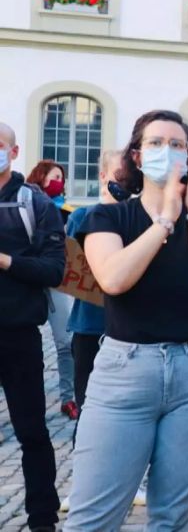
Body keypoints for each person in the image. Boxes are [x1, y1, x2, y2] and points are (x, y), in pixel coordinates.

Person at [64, 110, 188, 530]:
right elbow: (114, 278)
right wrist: (164, 220)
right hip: (125, 373)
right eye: (156, 143)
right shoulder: (107, 218)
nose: (168, 151)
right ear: (138, 157)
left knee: (169, 519)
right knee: (91, 518)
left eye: (178, 145)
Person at [60, 150, 152, 513]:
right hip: (89, 324)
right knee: (88, 410)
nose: (122, 184)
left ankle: (137, 480)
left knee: (136, 410)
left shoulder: (139, 217)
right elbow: (71, 264)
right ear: (102, 176)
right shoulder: (84, 216)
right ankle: (84, 483)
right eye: (118, 176)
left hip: (130, 328)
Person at [0, 122, 65, 532]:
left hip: (18, 333)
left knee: (31, 432)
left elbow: (54, 271)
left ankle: (42, 519)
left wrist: (5, 261)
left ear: (14, 150)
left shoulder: (34, 203)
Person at [26, 159, 77, 419]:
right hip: (26, 278)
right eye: (54, 176)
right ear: (41, 176)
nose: (59, 182)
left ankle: (69, 397)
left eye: (62, 177)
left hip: (56, 279)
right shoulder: (25, 201)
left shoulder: (64, 208)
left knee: (65, 342)